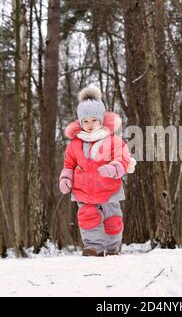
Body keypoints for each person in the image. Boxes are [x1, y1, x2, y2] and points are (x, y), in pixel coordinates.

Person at [58, 85, 136, 257]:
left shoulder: (112, 140)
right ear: (80, 122)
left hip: (108, 189)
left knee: (112, 220)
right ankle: (93, 248)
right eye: (85, 121)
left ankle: (113, 247)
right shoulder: (75, 144)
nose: (90, 125)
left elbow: (122, 157)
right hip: (83, 191)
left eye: (94, 120)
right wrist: (66, 178)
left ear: (101, 120)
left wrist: (114, 167)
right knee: (87, 217)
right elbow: (69, 164)